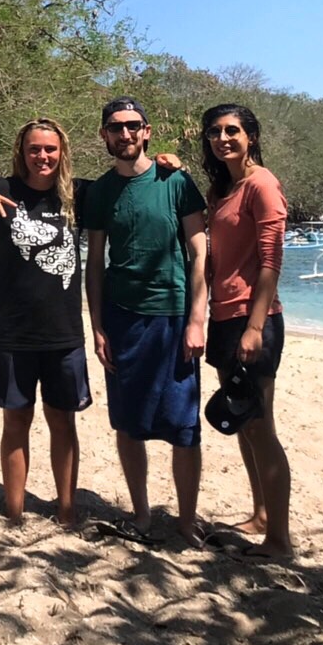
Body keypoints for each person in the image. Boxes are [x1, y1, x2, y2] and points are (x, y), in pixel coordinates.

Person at [84, 97, 208, 546]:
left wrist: (197, 319)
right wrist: (98, 327)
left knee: (184, 427)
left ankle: (187, 521)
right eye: (116, 127)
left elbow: (200, 252)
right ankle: (141, 515)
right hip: (122, 319)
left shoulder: (175, 180)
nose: (125, 134)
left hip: (173, 317)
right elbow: (94, 264)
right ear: (104, 135)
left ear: (147, 131)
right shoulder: (100, 192)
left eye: (133, 125)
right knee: (128, 423)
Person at [0, 119, 90, 528]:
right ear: (22, 152)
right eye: (34, 149)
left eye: (50, 149)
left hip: (64, 332)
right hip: (13, 331)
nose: (42, 156)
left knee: (63, 421)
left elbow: (129, 182)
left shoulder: (77, 195)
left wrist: (168, 164)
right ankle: (15, 510)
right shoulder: (1, 192)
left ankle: (67, 508)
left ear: (62, 152)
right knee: (15, 421)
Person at [200, 103, 293, 558]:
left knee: (260, 427)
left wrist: (254, 327)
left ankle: (279, 540)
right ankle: (260, 515)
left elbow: (271, 261)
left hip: (254, 320)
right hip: (223, 317)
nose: (223, 139)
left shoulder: (262, 184)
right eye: (215, 132)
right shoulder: (223, 189)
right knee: (241, 422)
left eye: (232, 130)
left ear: (250, 136)